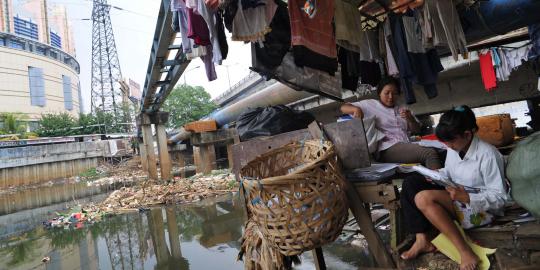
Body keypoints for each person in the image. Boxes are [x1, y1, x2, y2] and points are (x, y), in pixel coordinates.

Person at [400, 105, 508, 270]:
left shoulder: (488, 155)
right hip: (457, 197)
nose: (448, 146)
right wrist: (437, 174)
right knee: (411, 182)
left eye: (450, 141)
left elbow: (500, 199)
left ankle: (465, 251)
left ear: (467, 134)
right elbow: (452, 173)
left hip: (480, 210)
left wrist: (469, 198)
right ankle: (422, 239)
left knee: (423, 198)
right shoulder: (455, 148)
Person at [340, 77, 442, 169]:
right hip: (387, 149)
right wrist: (356, 109)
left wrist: (410, 119)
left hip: (405, 144)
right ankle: (442, 187)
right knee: (429, 153)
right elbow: (343, 107)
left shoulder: (402, 109)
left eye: (394, 93)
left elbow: (417, 130)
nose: (390, 97)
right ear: (379, 93)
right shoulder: (370, 105)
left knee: (441, 151)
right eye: (387, 93)